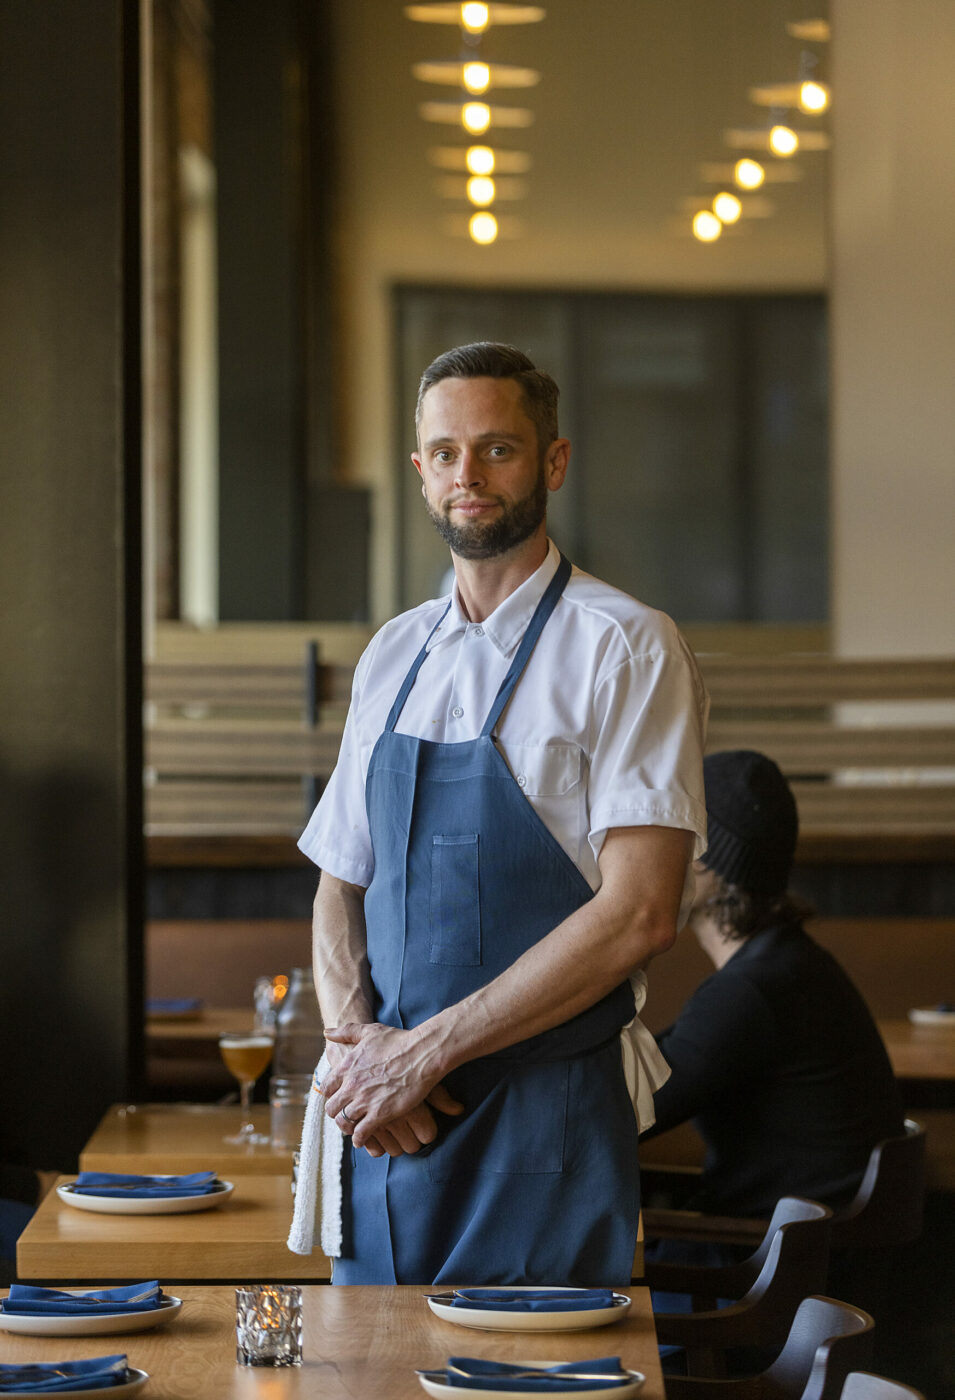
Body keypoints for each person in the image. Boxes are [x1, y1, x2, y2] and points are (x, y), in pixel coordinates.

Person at [298, 342, 708, 1285]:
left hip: (546, 1115)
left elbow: (642, 912)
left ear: (553, 462)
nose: (467, 476)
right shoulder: (392, 653)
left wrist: (425, 1053)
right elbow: (338, 882)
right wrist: (363, 1056)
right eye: (444, 454)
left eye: (497, 449)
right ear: (419, 472)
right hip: (394, 1124)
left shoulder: (628, 647)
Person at [643, 749, 905, 1239]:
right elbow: (655, 1070)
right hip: (802, 1271)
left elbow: (619, 1113)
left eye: (662, 834)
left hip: (761, 1287)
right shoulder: (785, 966)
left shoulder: (753, 990)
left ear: (706, 864)